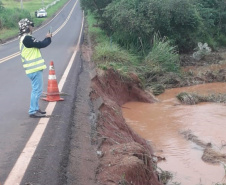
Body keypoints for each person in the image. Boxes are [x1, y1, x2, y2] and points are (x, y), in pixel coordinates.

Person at [18, 18, 52, 118]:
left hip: (32, 69)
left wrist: (47, 38)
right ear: (26, 27)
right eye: (30, 25)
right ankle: (33, 111)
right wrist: (48, 38)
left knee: (36, 89)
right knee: (37, 90)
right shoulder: (27, 38)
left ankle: (36, 108)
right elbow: (42, 44)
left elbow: (38, 45)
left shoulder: (24, 38)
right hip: (34, 69)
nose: (32, 27)